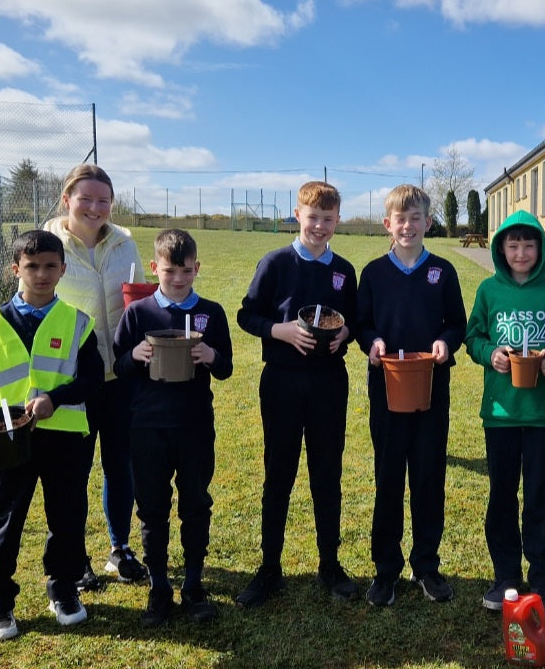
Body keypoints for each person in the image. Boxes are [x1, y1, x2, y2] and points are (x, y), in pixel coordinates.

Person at [0, 230, 104, 641]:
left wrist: (56, 399)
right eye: (31, 266)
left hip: (65, 439)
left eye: (49, 266)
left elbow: (93, 379)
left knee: (67, 518)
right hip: (10, 441)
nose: (41, 274)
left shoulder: (79, 323)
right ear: (16, 269)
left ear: (63, 270)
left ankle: (63, 590)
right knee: (7, 520)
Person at [234, 180, 360, 608]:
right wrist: (280, 330)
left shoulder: (343, 270)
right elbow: (246, 314)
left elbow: (356, 320)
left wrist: (346, 331)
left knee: (327, 473)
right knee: (279, 472)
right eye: (313, 217)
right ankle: (270, 567)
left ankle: (330, 565)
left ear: (337, 219)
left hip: (328, 382)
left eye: (328, 219)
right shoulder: (275, 263)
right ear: (297, 215)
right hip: (283, 381)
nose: (320, 226)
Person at [464, 210, 545, 623]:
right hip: (501, 413)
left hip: (544, 414)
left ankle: (544, 580)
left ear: (541, 248)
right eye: (512, 245)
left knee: (542, 497)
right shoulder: (488, 290)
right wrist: (489, 353)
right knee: (502, 496)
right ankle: (506, 576)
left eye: (528, 245)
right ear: (500, 249)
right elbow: (473, 336)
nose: (520, 252)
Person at [113, 229, 233, 626]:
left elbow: (227, 368)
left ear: (197, 268)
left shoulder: (211, 313)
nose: (178, 279)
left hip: (195, 424)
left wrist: (211, 354)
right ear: (154, 269)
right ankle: (159, 585)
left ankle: (194, 583)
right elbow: (119, 366)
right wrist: (135, 354)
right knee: (152, 507)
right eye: (169, 271)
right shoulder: (138, 313)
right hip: (147, 425)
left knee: (196, 502)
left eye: (185, 271)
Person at [355, 184, 467, 607]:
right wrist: (372, 342)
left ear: (428, 223)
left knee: (427, 476)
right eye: (400, 219)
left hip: (431, 389)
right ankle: (386, 570)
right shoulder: (374, 273)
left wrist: (445, 342)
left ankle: (426, 565)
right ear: (388, 224)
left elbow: (456, 323)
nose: (408, 226)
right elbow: (362, 324)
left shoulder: (443, 270)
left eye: (416, 218)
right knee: (388, 478)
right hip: (387, 389)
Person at [43, 163, 148, 588]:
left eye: (103, 200)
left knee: (120, 467)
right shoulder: (49, 246)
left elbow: (139, 304)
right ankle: (76, 557)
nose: (94, 207)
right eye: (85, 198)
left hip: (121, 376)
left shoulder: (125, 245)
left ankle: (119, 549)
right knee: (73, 472)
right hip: (74, 381)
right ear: (67, 199)